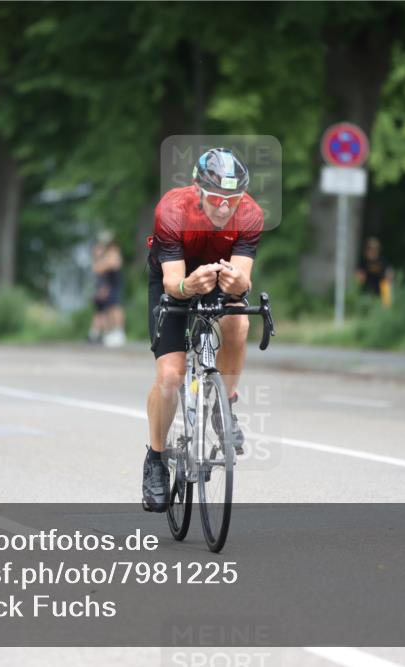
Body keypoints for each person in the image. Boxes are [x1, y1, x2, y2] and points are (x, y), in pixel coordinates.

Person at [142, 147, 263, 512]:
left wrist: (235, 283)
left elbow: (243, 283)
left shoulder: (251, 214)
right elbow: (174, 284)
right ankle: (155, 460)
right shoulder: (172, 210)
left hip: (218, 278)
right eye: (215, 198)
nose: (224, 207)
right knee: (171, 376)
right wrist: (189, 287)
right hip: (175, 280)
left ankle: (224, 403)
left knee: (238, 322)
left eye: (233, 199)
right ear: (197, 190)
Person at [89, 230, 126, 347]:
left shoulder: (113, 252)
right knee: (109, 310)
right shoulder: (106, 254)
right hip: (108, 286)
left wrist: (102, 261)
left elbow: (110, 265)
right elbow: (97, 268)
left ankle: (119, 332)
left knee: (115, 308)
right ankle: (112, 332)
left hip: (114, 284)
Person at [356, 237, 394, 306]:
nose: (372, 251)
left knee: (386, 289)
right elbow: (359, 276)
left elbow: (389, 272)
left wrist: (388, 278)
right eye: (369, 249)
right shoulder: (363, 262)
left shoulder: (382, 261)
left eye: (374, 249)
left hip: (382, 287)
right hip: (368, 288)